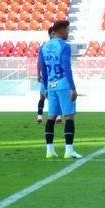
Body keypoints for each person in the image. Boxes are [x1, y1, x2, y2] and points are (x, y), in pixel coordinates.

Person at [39, 20, 80, 159]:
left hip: (51, 85)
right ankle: (69, 150)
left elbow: (43, 70)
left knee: (51, 117)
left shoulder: (44, 47)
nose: (68, 33)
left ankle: (49, 151)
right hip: (63, 84)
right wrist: (73, 88)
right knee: (69, 117)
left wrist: (45, 88)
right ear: (60, 31)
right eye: (67, 30)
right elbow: (66, 67)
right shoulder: (64, 46)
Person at [35, 24, 56, 124]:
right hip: (48, 76)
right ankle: (40, 116)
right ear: (50, 34)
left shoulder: (46, 47)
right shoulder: (45, 47)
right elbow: (39, 62)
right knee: (43, 97)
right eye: (53, 33)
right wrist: (38, 74)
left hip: (55, 76)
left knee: (53, 96)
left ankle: (57, 116)